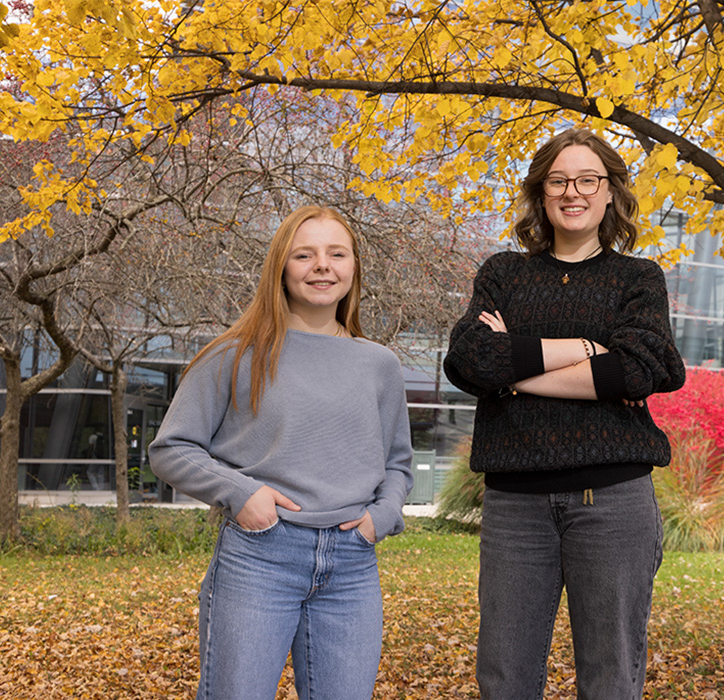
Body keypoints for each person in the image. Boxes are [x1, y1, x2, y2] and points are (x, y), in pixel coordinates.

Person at [443, 128, 685, 699]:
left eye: (587, 180)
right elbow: (469, 359)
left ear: (609, 194)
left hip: (613, 500)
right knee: (504, 676)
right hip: (514, 505)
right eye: (558, 180)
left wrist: (512, 372)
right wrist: (584, 348)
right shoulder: (503, 272)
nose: (572, 192)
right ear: (540, 192)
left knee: (610, 674)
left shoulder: (638, 278)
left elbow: (636, 372)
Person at [148, 205, 413, 700]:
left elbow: (397, 462)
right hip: (260, 558)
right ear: (281, 268)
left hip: (353, 563)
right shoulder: (234, 354)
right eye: (304, 255)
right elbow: (171, 450)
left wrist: (385, 513)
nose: (322, 266)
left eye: (337, 254)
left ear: (353, 267)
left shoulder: (379, 364)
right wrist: (241, 493)